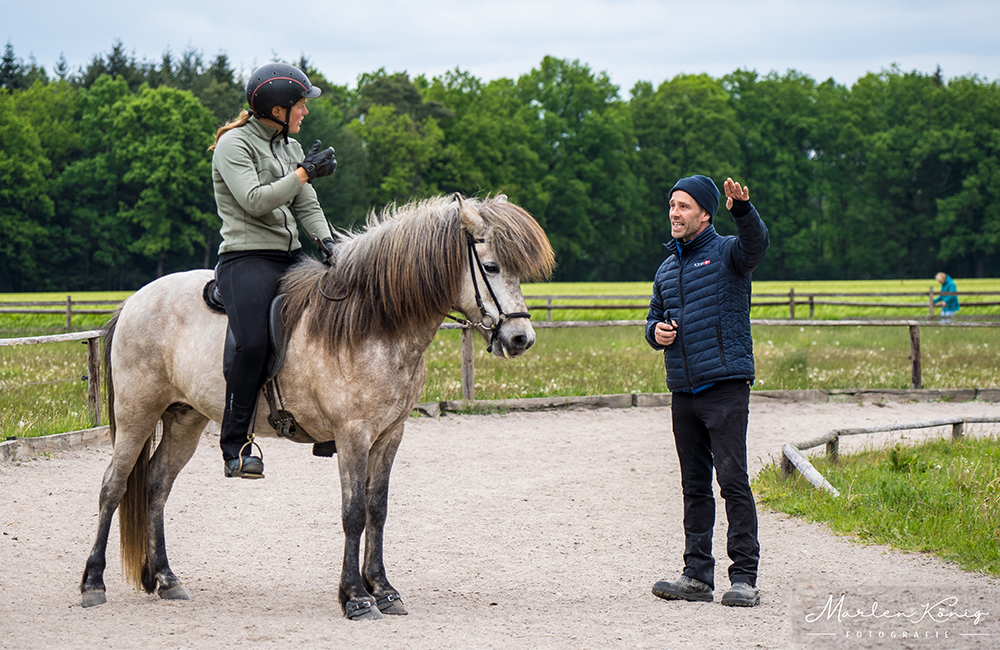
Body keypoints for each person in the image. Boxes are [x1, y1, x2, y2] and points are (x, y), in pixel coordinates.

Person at [208, 62, 338, 479]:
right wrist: (303, 174)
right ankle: (236, 444)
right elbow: (254, 200)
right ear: (277, 108)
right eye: (300, 105)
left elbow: (306, 203)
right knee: (251, 341)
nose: (305, 112)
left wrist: (328, 243)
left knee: (339, 314)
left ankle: (326, 419)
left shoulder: (289, 146)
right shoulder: (235, 146)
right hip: (246, 258)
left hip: (292, 255)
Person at [644, 174, 769, 607]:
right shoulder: (666, 268)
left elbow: (756, 245)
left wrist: (744, 211)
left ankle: (745, 578)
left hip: (726, 384)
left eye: (683, 206)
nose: (674, 213)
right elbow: (654, 317)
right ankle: (697, 576)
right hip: (684, 389)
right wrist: (654, 332)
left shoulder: (728, 254)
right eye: (672, 205)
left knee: (732, 480)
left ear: (705, 213)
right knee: (693, 485)